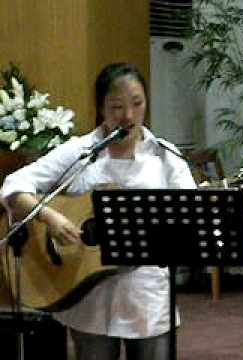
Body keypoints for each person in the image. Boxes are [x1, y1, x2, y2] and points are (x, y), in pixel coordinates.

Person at [1, 62, 197, 360]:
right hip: (89, 295)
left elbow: (192, 214)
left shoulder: (165, 157)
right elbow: (14, 185)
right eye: (116, 106)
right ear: (101, 108)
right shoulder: (80, 151)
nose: (128, 116)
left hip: (147, 296)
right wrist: (50, 217)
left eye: (137, 104)